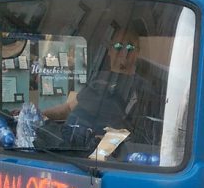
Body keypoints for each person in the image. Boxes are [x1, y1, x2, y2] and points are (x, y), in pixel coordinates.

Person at [43, 21, 155, 149]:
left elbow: (135, 132)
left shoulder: (142, 89)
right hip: (65, 143)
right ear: (109, 51)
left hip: (97, 154)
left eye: (130, 48)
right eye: (118, 46)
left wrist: (107, 144)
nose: (124, 53)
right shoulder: (98, 78)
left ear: (137, 53)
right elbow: (69, 108)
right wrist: (42, 114)